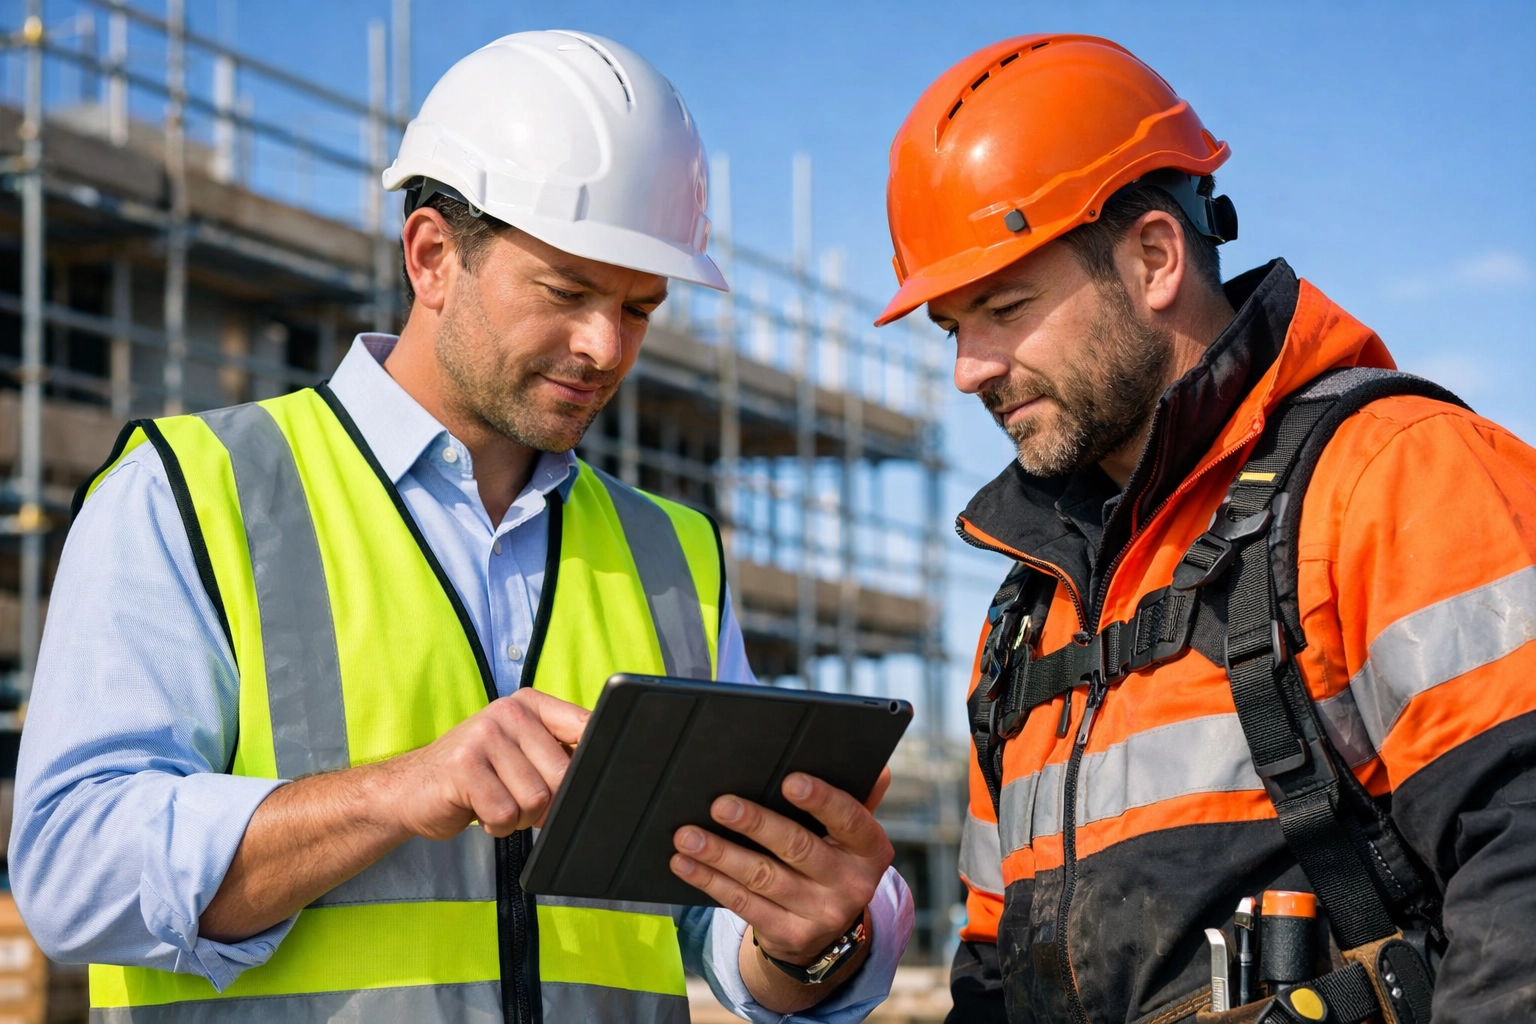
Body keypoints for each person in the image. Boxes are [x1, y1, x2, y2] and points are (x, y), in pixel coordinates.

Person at [9, 31, 913, 1024]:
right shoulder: (191, 492)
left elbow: (717, 926)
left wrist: (814, 936)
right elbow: (70, 866)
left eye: (639, 307)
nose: (604, 347)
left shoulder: (675, 554)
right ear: (433, 256)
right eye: (566, 291)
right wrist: (397, 791)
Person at [875, 33, 1536, 1024]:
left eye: (1003, 307)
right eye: (952, 329)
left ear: (1153, 257)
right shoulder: (1024, 624)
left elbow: (1522, 866)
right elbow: (989, 970)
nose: (969, 368)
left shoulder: (1400, 479)